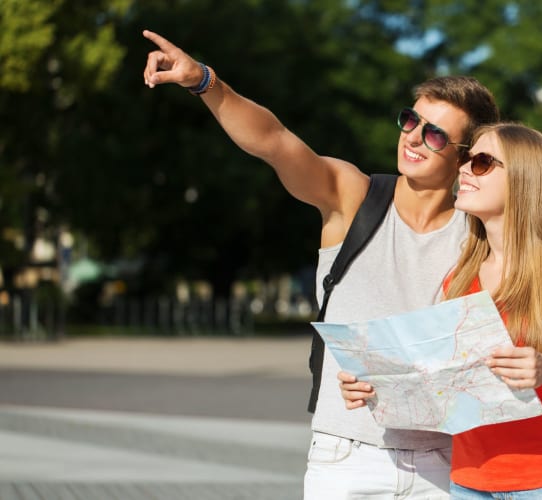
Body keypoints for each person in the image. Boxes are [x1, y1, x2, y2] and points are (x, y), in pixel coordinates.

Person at [142, 30, 499, 499]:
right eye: (410, 120)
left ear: (463, 157)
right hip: (347, 459)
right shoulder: (354, 197)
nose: (412, 137)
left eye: (433, 134)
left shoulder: (481, 234)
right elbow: (274, 141)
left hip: (444, 466)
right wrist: (205, 81)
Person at [339, 122, 542, 499]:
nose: (464, 169)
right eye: (466, 159)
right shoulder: (461, 274)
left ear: (523, 179)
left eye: (482, 162)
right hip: (467, 482)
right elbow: (444, 388)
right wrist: (374, 385)